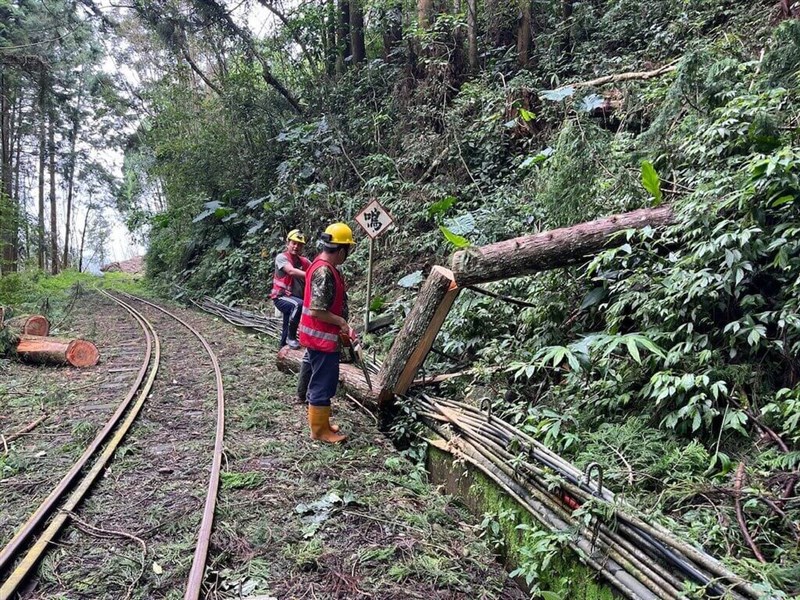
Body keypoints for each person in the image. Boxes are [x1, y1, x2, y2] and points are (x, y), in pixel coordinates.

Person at [298, 222, 356, 444]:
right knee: (324, 381)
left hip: (318, 336)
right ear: (341, 250)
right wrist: (341, 321)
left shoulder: (320, 266)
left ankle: (322, 423)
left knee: (321, 379)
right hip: (321, 338)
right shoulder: (324, 272)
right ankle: (319, 431)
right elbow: (317, 310)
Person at [270, 229, 311, 349]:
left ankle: (282, 349)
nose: (296, 246)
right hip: (281, 297)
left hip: (293, 298)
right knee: (298, 305)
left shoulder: (303, 261)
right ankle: (291, 338)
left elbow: (315, 268)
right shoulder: (281, 257)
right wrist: (310, 275)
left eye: (299, 244)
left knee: (287, 323)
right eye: (293, 243)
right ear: (288, 243)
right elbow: (291, 271)